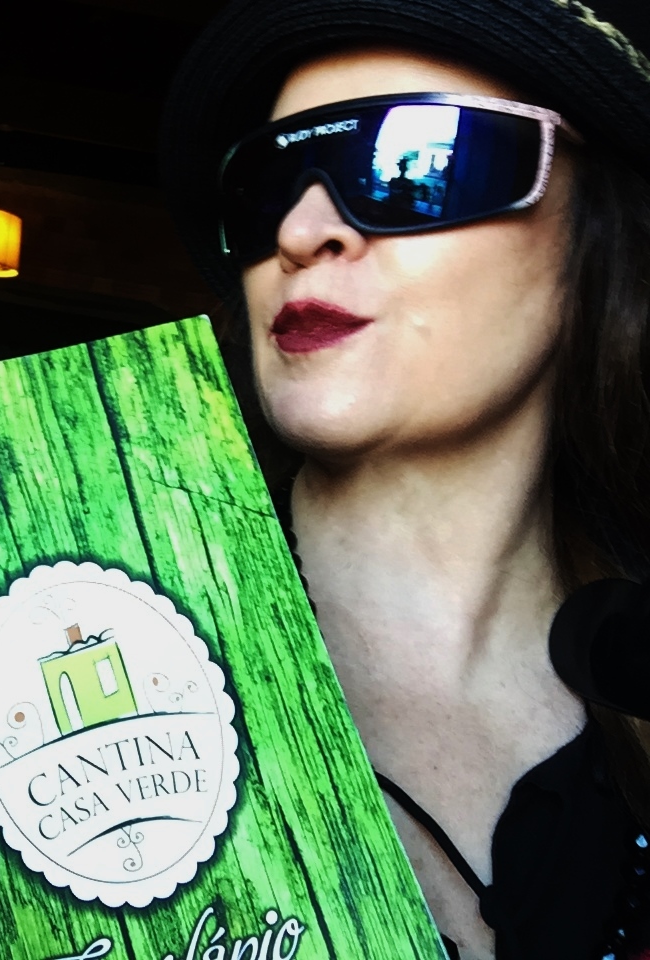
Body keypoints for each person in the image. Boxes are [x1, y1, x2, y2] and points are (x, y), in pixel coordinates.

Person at [160, 2, 650, 958]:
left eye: (413, 157)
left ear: (595, 235)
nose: (302, 231)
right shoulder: (56, 616)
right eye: (266, 183)